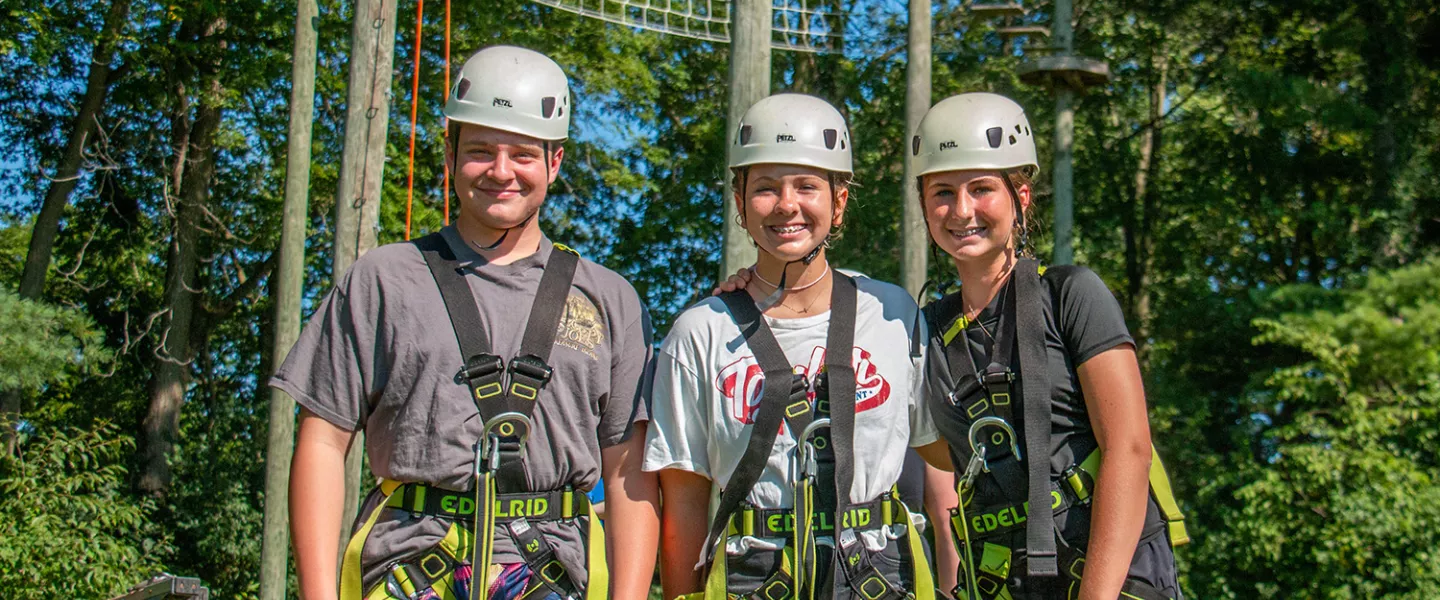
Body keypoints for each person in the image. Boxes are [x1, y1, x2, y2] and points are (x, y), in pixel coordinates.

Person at [275, 45, 659, 600]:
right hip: (408, 572)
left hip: (552, 576)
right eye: (481, 150)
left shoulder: (609, 299)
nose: (501, 171)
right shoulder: (385, 280)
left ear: (554, 162)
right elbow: (322, 443)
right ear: (450, 154)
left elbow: (629, 473)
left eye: (523, 154)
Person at [645, 93, 945, 600]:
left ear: (839, 200)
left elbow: (942, 461)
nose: (787, 205)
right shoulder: (700, 333)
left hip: (879, 575)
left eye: (807, 186)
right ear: (739, 202)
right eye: (765, 188)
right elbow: (685, 503)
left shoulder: (892, 315)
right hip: (752, 575)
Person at [912, 92, 1187, 599]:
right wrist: (759, 285)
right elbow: (940, 459)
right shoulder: (926, 329)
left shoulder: (1070, 294)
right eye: (943, 192)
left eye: (981, 189)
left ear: (1021, 197)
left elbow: (1129, 448)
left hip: (1114, 578)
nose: (962, 209)